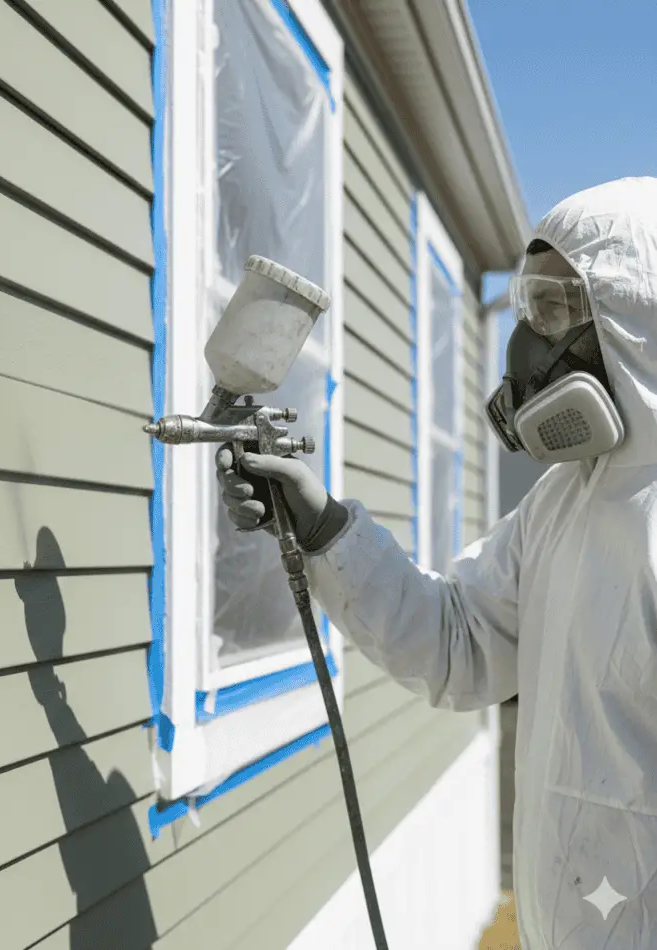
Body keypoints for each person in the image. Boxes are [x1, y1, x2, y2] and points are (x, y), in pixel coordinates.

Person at [215, 176, 657, 949]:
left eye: (555, 310)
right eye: (529, 307)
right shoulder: (559, 504)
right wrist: (321, 526)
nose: (527, 344)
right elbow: (460, 643)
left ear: (634, 323)